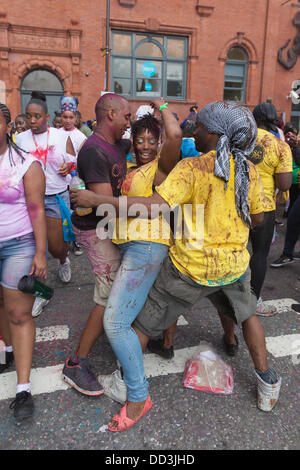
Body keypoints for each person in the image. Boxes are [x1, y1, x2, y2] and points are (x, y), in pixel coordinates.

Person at [70, 101, 282, 430]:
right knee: (248, 315)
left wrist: (98, 201)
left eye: (198, 128)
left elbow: (154, 206)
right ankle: (268, 383)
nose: (192, 131)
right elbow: (257, 219)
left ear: (213, 133)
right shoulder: (248, 171)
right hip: (232, 265)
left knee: (139, 324)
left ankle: (125, 383)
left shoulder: (193, 168)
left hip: (189, 268)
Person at [62, 93, 131, 396]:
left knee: (116, 288)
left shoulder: (115, 145)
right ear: (111, 114)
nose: (129, 123)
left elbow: (140, 142)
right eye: (126, 117)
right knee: (107, 293)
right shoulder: (93, 151)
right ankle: (76, 363)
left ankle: (115, 332)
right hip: (95, 231)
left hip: (107, 228)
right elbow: (106, 207)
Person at [0, 103, 47, 421]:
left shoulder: (26, 165)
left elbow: (37, 209)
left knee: (18, 313)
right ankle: (6, 349)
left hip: (18, 244)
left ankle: (23, 389)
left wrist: (40, 254)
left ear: (6, 127)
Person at [16, 92, 74, 318]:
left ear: (47, 117)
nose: (32, 121)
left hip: (54, 197)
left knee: (56, 246)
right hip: (29, 200)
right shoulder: (20, 140)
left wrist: (68, 167)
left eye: (37, 116)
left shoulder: (59, 136)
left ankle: (63, 260)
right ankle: (41, 292)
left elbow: (72, 160)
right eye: (29, 116)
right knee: (34, 249)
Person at [248, 103, 292, 316]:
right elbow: (284, 185)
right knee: (259, 255)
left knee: (233, 250)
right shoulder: (280, 146)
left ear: (254, 118)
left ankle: (228, 298)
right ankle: (254, 301)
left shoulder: (241, 138)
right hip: (264, 208)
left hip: (234, 204)